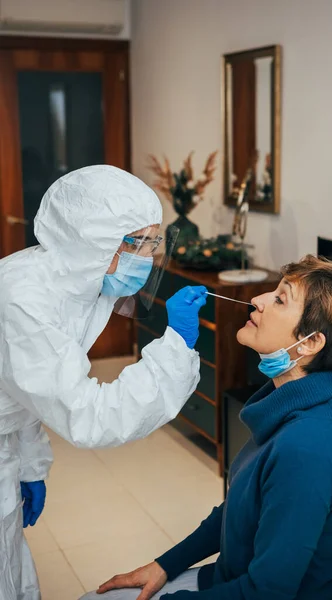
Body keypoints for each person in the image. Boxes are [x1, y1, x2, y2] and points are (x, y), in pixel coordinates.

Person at [81, 255, 332, 600]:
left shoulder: (307, 448)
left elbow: (266, 593)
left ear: (310, 343)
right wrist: (165, 564)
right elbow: (242, 508)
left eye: (280, 299)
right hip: (229, 579)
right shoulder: (298, 403)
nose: (257, 300)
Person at [0, 165, 208, 600]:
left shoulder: (76, 283)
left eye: (154, 242)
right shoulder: (26, 299)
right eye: (139, 242)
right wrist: (175, 348)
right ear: (90, 241)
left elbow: (31, 394)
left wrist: (32, 465)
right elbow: (89, 414)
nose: (149, 256)